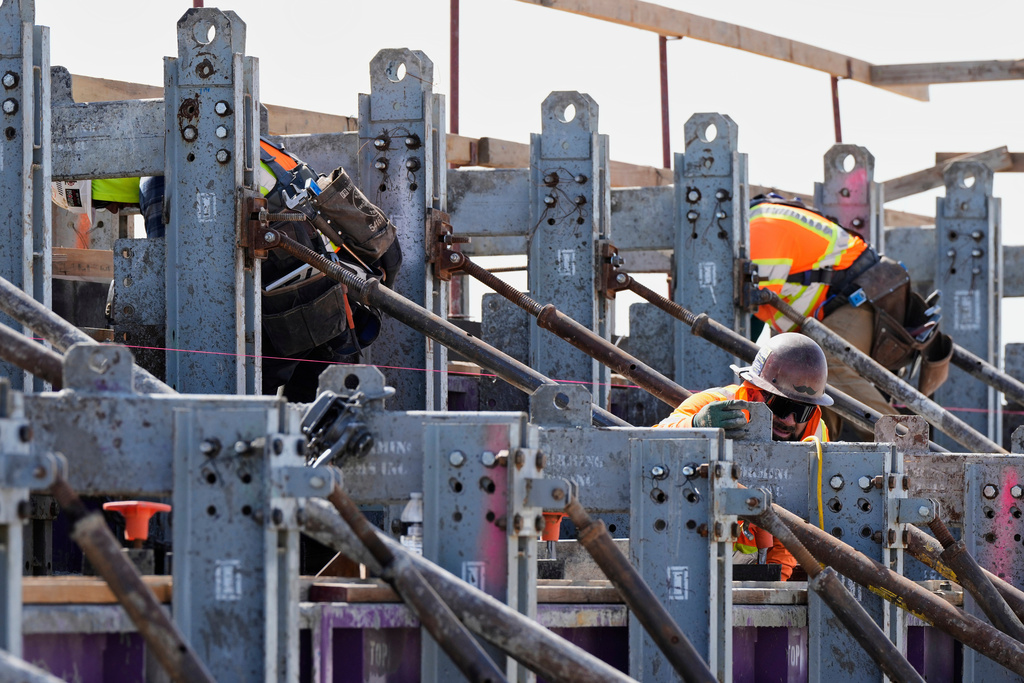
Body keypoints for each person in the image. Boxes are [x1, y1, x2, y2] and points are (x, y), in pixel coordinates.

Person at [137, 137, 402, 402]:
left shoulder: (161, 181)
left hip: (299, 304)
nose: (114, 209)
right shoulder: (257, 147)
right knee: (317, 415)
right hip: (335, 293)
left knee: (261, 406)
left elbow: (173, 278)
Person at [747, 193, 952, 439]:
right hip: (839, 304)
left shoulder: (759, 233)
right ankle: (815, 456)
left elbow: (747, 320)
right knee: (807, 376)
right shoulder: (757, 224)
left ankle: (906, 446)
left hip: (864, 299)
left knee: (828, 362)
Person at [655, 333, 833, 580]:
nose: (789, 419)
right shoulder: (716, 403)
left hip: (758, 560)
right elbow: (651, 443)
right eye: (781, 406)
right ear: (756, 391)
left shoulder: (816, 435)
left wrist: (777, 574)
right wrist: (695, 424)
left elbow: (802, 513)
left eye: (801, 410)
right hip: (693, 549)